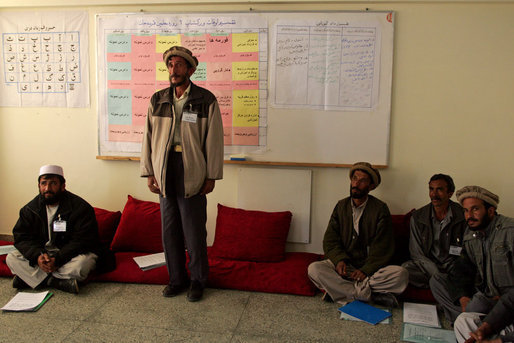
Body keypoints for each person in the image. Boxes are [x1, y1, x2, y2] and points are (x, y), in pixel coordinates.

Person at [140, 46, 224, 302]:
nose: (173, 70)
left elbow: (214, 140)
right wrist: (149, 172)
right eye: (170, 65)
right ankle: (176, 279)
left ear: (190, 69)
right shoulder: (158, 99)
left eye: (178, 65)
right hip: (165, 170)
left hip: (193, 170)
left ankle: (198, 280)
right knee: (170, 231)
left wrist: (211, 176)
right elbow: (148, 137)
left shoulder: (205, 99)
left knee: (194, 232)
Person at [308, 162, 409, 307]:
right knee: (314, 269)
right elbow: (330, 240)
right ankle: (368, 296)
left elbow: (383, 247)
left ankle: (341, 292)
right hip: (345, 267)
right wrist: (339, 260)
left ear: (371, 186)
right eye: (354, 178)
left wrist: (366, 270)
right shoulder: (341, 206)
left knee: (401, 275)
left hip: (370, 270)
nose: (356, 183)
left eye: (362, 181)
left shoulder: (380, 209)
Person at [6, 165, 107, 294]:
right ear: (39, 186)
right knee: (11, 258)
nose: (47, 188)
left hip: (69, 255)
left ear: (63, 186)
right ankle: (57, 282)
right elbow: (22, 238)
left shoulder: (80, 208)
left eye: (53, 183)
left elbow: (83, 240)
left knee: (83, 263)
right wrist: (38, 256)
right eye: (44, 184)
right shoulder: (29, 210)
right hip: (43, 254)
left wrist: (58, 259)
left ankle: (33, 279)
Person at [430, 186, 514, 324]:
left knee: (477, 304)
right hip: (483, 295)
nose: (469, 216)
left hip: (506, 301)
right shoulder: (471, 234)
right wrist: (462, 297)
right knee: (437, 281)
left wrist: (504, 300)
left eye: (475, 209)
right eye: (466, 211)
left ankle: (469, 322)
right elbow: (462, 269)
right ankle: (471, 321)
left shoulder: (510, 232)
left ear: (491, 211)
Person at [402, 174, 466, 288]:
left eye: (439, 190)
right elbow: (416, 253)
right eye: (431, 189)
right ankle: (441, 284)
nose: (434, 194)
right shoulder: (418, 217)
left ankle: (436, 284)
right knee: (403, 270)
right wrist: (435, 273)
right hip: (427, 266)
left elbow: (465, 251)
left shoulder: (462, 215)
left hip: (453, 265)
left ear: (450, 193)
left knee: (468, 271)